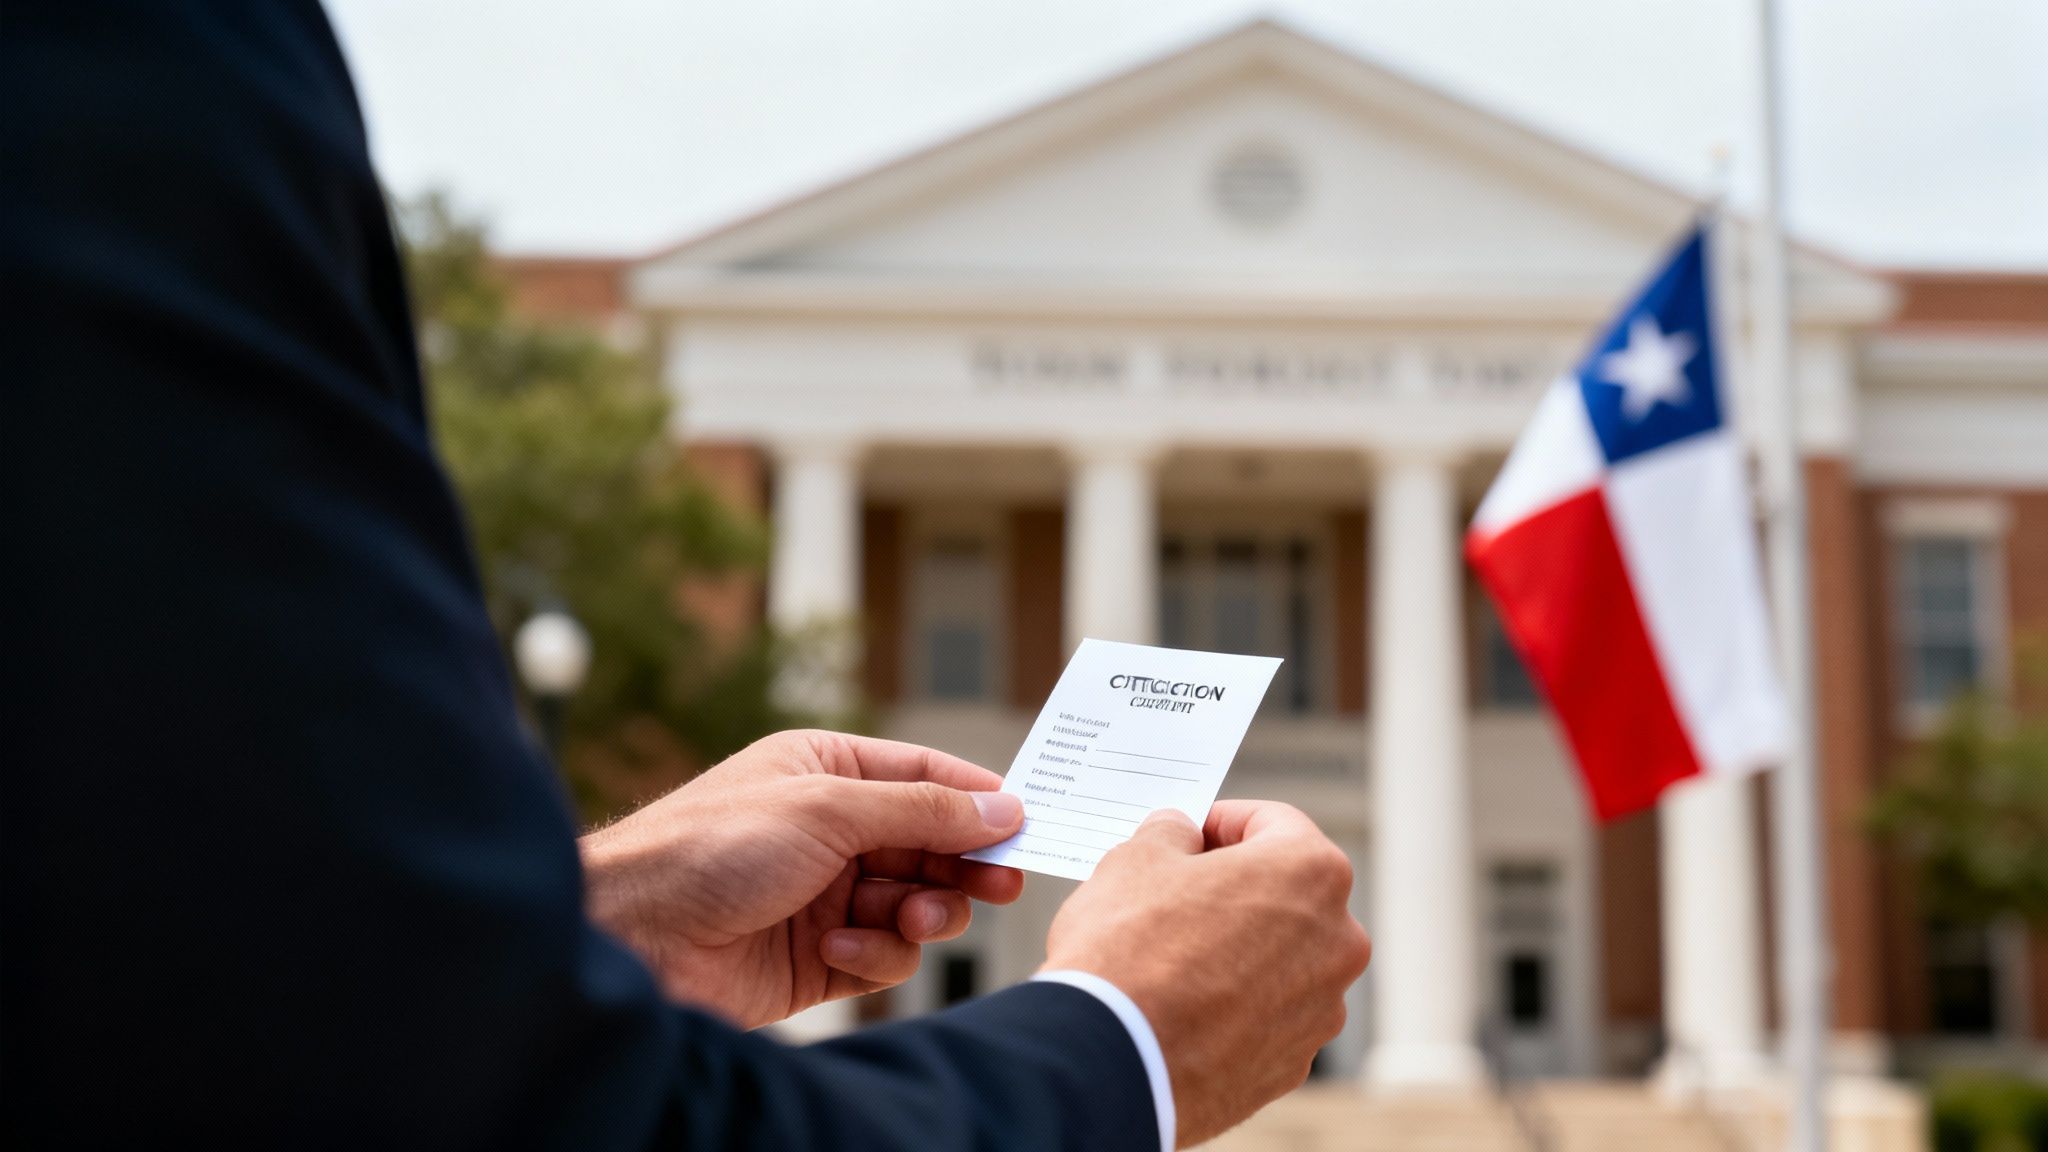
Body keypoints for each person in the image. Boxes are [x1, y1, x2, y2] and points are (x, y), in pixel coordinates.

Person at [2, 4, 1371, 1149]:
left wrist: (606, 912)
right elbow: (479, 1115)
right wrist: (1127, 1042)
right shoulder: (115, 60)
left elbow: (187, 971)